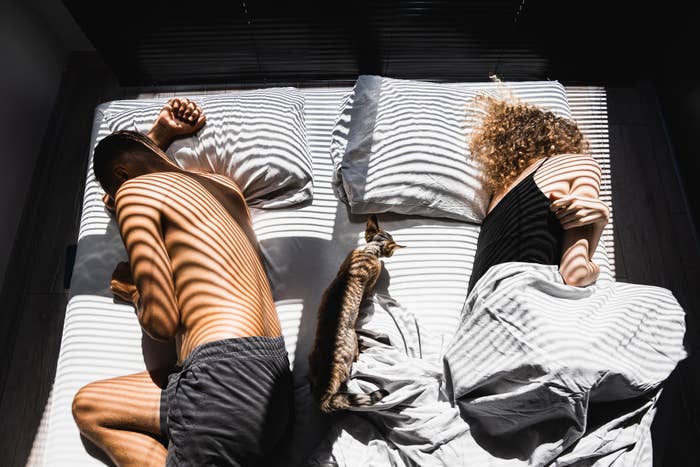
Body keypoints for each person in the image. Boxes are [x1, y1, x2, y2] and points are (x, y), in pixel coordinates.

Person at [71, 98, 292, 466]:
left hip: (221, 378)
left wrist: (134, 292)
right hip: (270, 378)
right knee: (90, 406)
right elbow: (132, 174)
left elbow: (162, 322)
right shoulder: (224, 189)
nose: (114, 202)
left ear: (122, 177)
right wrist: (158, 136)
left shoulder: (134, 193)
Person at [466, 94, 610, 293]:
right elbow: (576, 274)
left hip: (481, 304)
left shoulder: (494, 199)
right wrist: (600, 223)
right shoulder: (578, 164)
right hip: (529, 297)